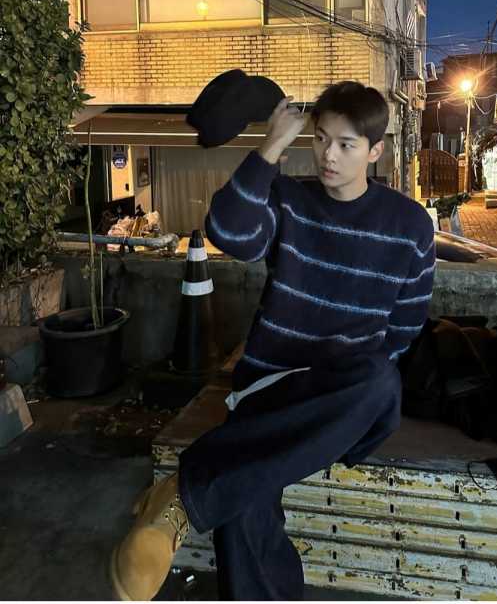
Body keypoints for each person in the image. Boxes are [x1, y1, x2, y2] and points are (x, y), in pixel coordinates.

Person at [110, 81, 436, 601]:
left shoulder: (409, 224)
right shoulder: (290, 198)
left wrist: (336, 398)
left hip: (345, 396)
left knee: (379, 379)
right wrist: (268, 151)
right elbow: (231, 236)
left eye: (346, 145)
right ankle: (200, 502)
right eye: (321, 139)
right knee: (247, 501)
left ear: (375, 151)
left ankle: (183, 494)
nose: (329, 155)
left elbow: (405, 324)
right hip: (272, 384)